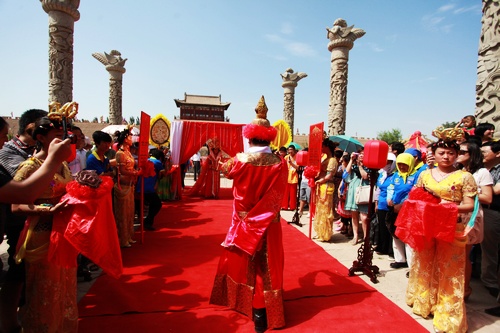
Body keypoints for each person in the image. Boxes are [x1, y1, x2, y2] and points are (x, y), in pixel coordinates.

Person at [210, 96, 287, 333]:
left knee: (245, 264)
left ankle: (246, 304)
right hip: (268, 222)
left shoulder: (241, 160)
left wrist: (215, 151)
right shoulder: (279, 162)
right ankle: (264, 315)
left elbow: (221, 166)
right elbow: (278, 196)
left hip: (244, 221)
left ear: (250, 136)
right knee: (269, 266)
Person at [401, 128, 476, 333]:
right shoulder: (424, 174)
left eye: (451, 153)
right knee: (424, 262)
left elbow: (469, 205)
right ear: (434, 152)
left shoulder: (464, 176)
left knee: (450, 268)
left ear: (457, 155)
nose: (446, 156)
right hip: (427, 224)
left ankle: (448, 313)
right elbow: (414, 198)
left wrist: (448, 206)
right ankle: (423, 301)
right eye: (442, 152)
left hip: (452, 225)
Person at [12, 116, 76, 332]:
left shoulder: (63, 163)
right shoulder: (30, 166)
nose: (65, 141)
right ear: (40, 137)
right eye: (58, 137)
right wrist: (47, 210)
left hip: (64, 234)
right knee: (43, 291)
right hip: (41, 235)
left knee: (64, 287)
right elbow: (15, 205)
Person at [456, 141, 493, 300]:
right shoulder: (459, 171)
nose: (458, 154)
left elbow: (488, 197)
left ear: (472, 154)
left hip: (471, 216)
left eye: (462, 152)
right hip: (456, 214)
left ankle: (465, 289)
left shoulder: (482, 172)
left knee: (464, 255)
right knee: (454, 255)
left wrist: (468, 193)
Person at [386, 153, 418, 269]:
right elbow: (391, 188)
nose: (402, 167)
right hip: (394, 209)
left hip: (409, 210)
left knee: (408, 236)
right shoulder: (395, 175)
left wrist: (403, 204)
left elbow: (415, 192)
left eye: (405, 164)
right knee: (395, 234)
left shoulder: (416, 176)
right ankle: (400, 259)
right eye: (400, 164)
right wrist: (389, 198)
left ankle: (412, 266)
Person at [480, 141, 500, 312]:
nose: (482, 155)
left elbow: (494, 192)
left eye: (484, 151)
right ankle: (490, 282)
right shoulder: (486, 171)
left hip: (495, 212)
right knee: (489, 250)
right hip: (487, 213)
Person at [114, 127, 141, 248]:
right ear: (125, 139)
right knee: (123, 214)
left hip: (130, 185)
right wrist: (135, 173)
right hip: (123, 186)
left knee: (130, 213)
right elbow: (122, 171)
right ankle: (122, 239)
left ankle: (128, 236)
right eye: (130, 136)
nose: (131, 139)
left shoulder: (128, 152)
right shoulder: (120, 153)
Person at [313, 139, 338, 242]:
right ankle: (320, 232)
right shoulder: (324, 158)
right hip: (321, 185)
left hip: (326, 185)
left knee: (326, 210)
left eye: (322, 146)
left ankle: (325, 234)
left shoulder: (332, 160)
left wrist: (320, 180)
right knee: (319, 209)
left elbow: (329, 175)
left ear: (326, 147)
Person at [344, 148, 370, 245]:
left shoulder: (369, 166)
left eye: (363, 154)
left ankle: (366, 237)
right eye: (360, 154)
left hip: (363, 192)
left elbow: (365, 176)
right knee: (354, 215)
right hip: (353, 191)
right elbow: (346, 174)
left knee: (364, 217)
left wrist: (360, 166)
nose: (361, 156)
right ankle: (355, 236)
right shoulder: (353, 166)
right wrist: (351, 160)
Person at [373, 152, 397, 256]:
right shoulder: (382, 174)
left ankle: (390, 249)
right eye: (385, 162)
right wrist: (376, 203)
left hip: (390, 205)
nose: (387, 164)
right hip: (381, 204)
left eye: (389, 162)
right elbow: (378, 190)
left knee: (390, 228)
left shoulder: (396, 175)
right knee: (381, 227)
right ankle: (382, 247)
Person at [135, 148, 164, 231]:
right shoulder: (158, 162)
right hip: (148, 188)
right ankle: (147, 221)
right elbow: (163, 174)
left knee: (152, 204)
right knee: (157, 204)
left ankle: (148, 221)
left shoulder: (146, 160)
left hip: (141, 186)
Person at [281, 145, 299, 211]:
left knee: (293, 193)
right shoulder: (286, 157)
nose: (290, 151)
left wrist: (291, 163)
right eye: (289, 150)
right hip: (287, 176)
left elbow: (298, 167)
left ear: (294, 150)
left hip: (294, 176)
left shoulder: (297, 157)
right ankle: (284, 206)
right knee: (285, 193)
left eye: (291, 149)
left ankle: (292, 207)